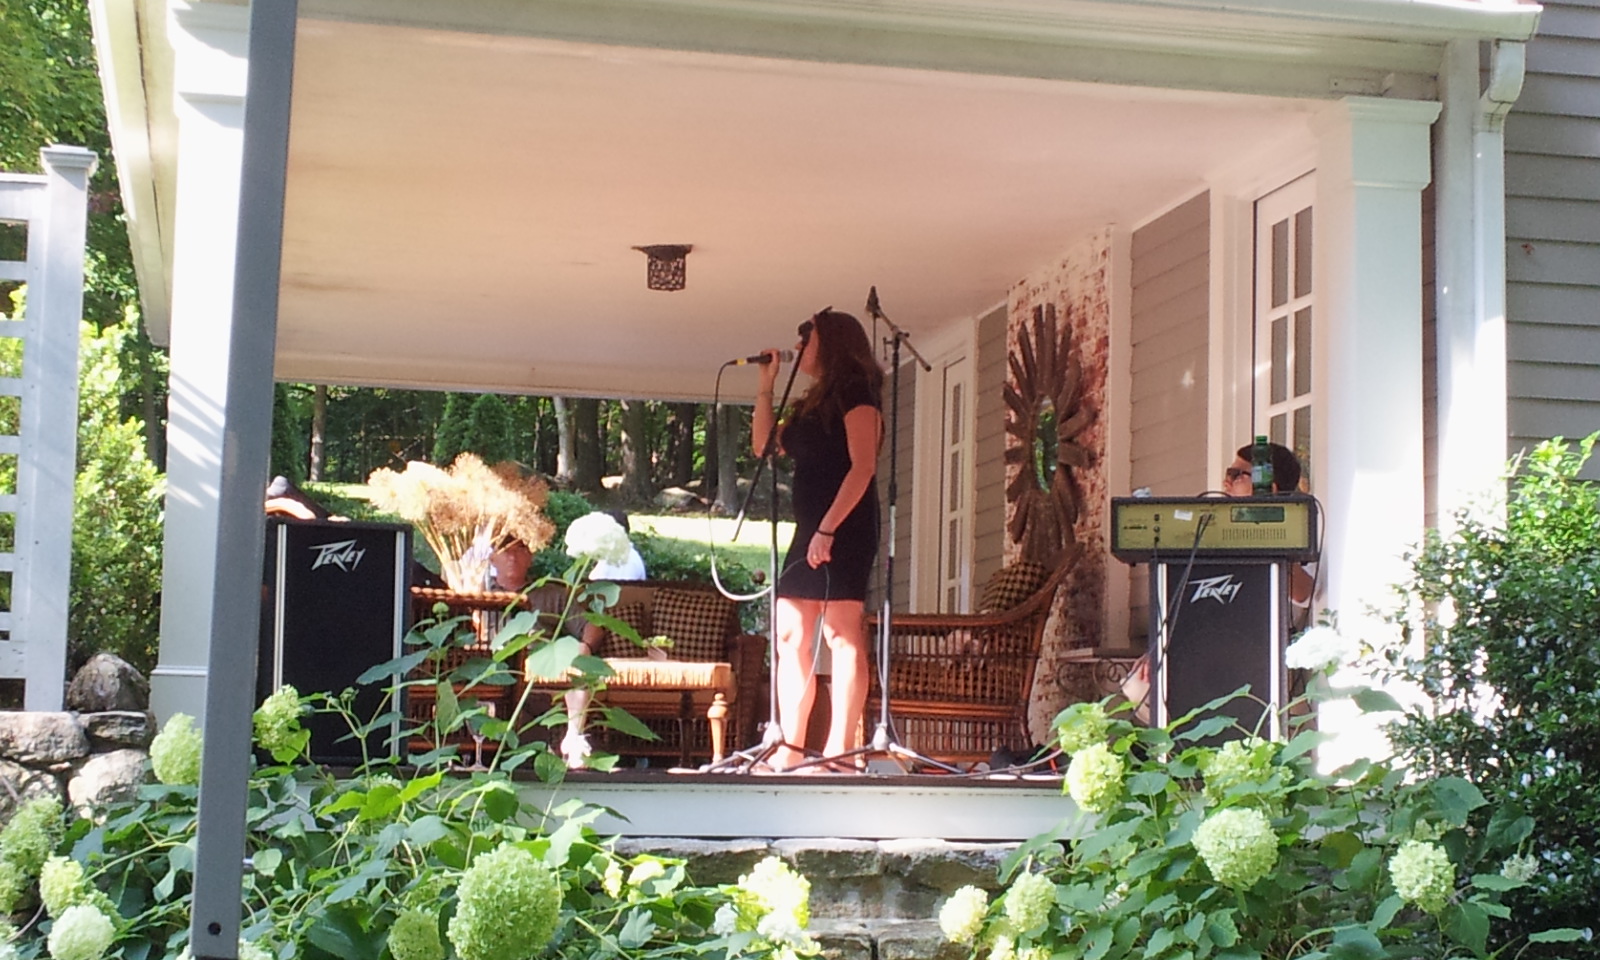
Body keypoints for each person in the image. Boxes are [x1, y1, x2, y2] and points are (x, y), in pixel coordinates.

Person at [752, 309, 883, 772]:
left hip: (845, 525)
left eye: (805, 337)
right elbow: (764, 446)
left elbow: (863, 466)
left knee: (841, 634)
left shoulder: (857, 392)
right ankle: (789, 748)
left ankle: (839, 752)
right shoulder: (811, 402)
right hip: (809, 528)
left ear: (830, 342)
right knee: (790, 634)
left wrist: (828, 529)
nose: (798, 346)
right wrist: (766, 386)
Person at [1221, 440, 1314, 609]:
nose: (1226, 483)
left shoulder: (1299, 531)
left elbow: (1302, 593)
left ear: (1267, 487)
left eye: (1236, 475)